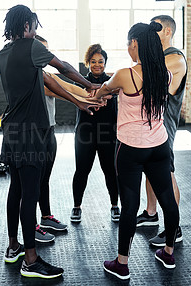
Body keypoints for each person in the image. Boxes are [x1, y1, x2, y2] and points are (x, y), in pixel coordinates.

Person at [0, 5, 103, 279]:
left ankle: (13, 248)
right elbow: (63, 68)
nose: (35, 31)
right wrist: (90, 85)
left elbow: (47, 80)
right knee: (30, 194)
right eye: (33, 26)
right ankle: (31, 261)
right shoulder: (31, 47)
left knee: (17, 190)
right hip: (31, 133)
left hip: (11, 131)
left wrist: (79, 100)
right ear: (26, 27)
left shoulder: (3, 53)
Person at [94, 22, 180, 280]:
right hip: (159, 147)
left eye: (128, 43)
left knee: (129, 206)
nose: (127, 48)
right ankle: (168, 253)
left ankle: (122, 264)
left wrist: (100, 94)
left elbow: (104, 90)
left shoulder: (124, 74)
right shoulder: (165, 75)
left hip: (131, 149)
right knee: (168, 200)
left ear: (135, 44)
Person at [135, 15, 187, 247]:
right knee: (151, 169)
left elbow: (143, 76)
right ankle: (151, 212)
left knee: (167, 175)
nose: (151, 33)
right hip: (151, 123)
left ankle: (174, 229)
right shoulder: (158, 57)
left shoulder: (174, 58)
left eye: (156, 29)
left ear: (167, 32)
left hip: (164, 125)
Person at [70, 44, 120, 223]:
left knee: (111, 171)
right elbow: (77, 98)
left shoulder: (113, 82)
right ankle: (76, 207)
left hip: (107, 134)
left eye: (101, 61)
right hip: (85, 134)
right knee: (82, 171)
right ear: (88, 63)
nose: (97, 65)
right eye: (93, 61)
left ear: (105, 63)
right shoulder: (80, 83)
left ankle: (115, 206)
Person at [33, 35, 67, 244]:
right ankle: (32, 225)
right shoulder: (34, 76)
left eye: (47, 50)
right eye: (41, 50)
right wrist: (89, 96)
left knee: (44, 177)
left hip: (49, 131)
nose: (45, 54)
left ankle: (46, 217)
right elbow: (63, 91)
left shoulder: (47, 73)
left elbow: (64, 87)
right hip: (33, 133)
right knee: (33, 181)